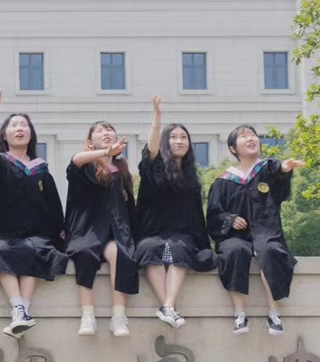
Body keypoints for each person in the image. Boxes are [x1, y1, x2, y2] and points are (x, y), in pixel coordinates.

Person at [0, 83, 67, 338]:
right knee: (3, 250)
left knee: (35, 249)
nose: (19, 129)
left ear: (31, 134)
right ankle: (19, 309)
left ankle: (22, 313)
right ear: (4, 135)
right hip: (1, 232)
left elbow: (53, 204)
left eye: (24, 125)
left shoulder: (40, 169)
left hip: (35, 234)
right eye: (13, 125)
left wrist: (61, 232)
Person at [208, 125, 306, 335]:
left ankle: (274, 312)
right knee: (233, 251)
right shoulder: (223, 181)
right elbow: (213, 215)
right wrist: (230, 219)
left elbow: (278, 173)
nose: (251, 138)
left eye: (253, 135)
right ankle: (240, 313)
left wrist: (285, 168)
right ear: (233, 148)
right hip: (235, 237)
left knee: (271, 252)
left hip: (267, 232)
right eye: (243, 136)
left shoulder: (267, 170)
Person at [135, 97, 217, 332]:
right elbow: (151, 149)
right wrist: (157, 117)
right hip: (152, 231)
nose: (179, 141)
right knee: (149, 249)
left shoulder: (192, 176)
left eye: (183, 137)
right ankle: (169, 307)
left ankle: (168, 306)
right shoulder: (153, 168)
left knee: (180, 249)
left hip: (183, 234)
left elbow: (196, 214)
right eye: (173, 137)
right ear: (164, 142)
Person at [65, 120, 140, 335]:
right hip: (87, 229)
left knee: (120, 253)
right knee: (85, 252)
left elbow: (128, 205)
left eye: (109, 130)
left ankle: (118, 316)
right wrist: (106, 152)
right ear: (90, 143)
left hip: (114, 229)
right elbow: (75, 160)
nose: (106, 133)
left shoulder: (121, 170)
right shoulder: (85, 166)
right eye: (99, 131)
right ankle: (88, 315)